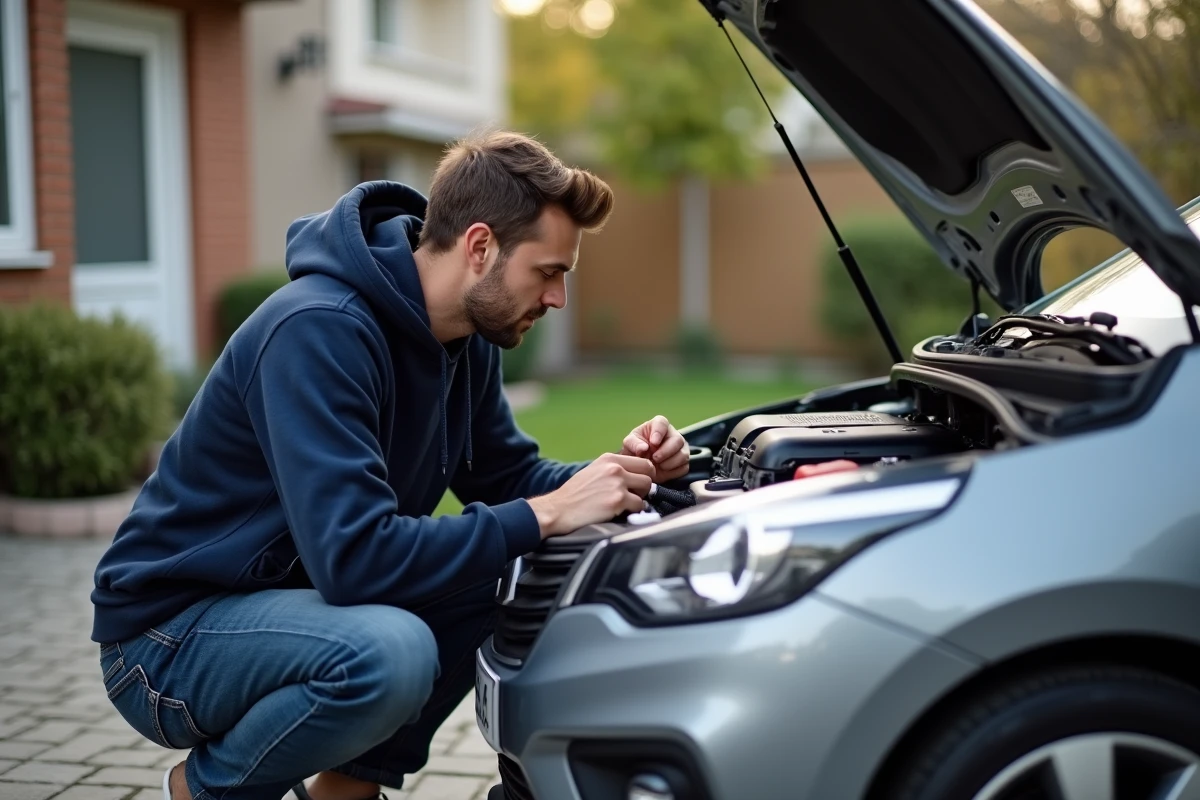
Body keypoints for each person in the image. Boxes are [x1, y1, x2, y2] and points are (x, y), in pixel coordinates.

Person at [90, 130, 691, 800]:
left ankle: (347, 789)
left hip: (295, 606)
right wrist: (546, 513)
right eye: (548, 272)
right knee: (389, 652)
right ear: (481, 247)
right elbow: (356, 561)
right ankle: (205, 790)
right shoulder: (317, 330)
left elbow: (509, 479)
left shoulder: (465, 340)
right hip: (168, 638)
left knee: (519, 565)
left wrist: (624, 474)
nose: (556, 300)